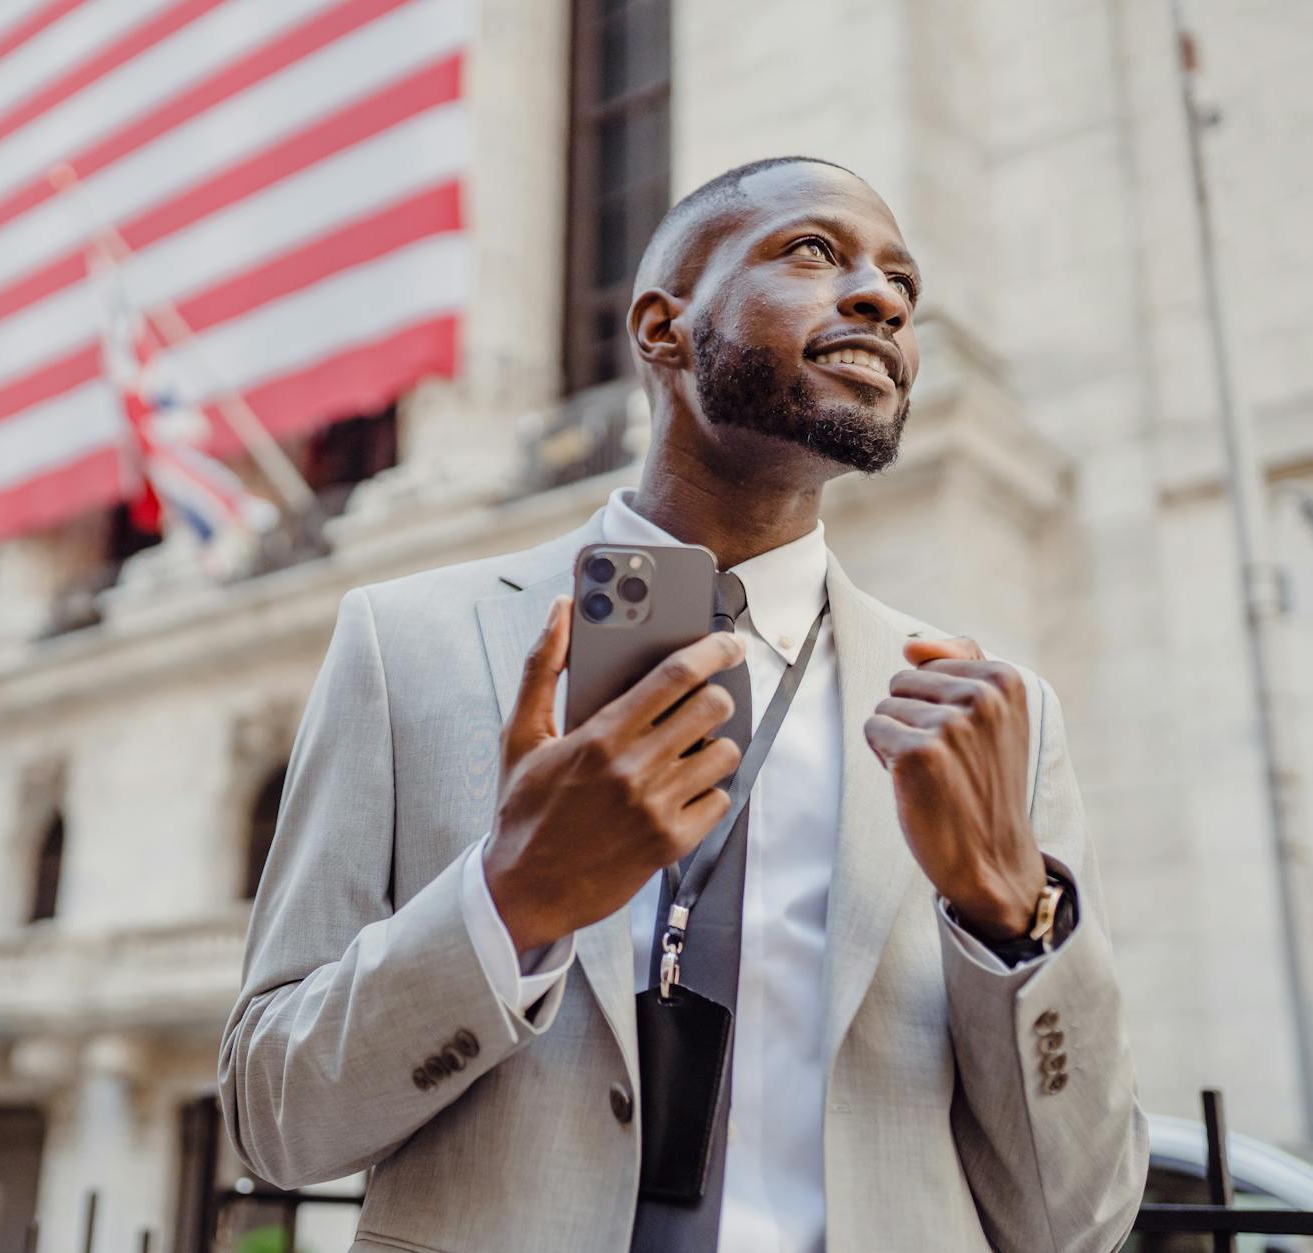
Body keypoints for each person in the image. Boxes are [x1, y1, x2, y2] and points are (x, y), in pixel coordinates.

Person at [219, 156, 1147, 1252]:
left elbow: (1079, 1221)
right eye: (811, 251)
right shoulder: (405, 645)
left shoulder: (988, 715)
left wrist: (1012, 920)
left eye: (902, 284)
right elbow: (270, 1123)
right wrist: (506, 900)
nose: (881, 298)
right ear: (662, 327)